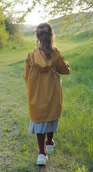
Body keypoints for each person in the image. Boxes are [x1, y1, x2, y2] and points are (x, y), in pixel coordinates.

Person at [23, 22, 70, 165]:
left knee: (39, 121)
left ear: (38, 36)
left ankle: (41, 155)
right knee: (51, 117)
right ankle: (49, 144)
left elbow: (26, 75)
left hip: (36, 94)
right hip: (53, 93)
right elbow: (66, 70)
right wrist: (66, 63)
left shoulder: (31, 55)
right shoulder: (56, 53)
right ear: (51, 36)